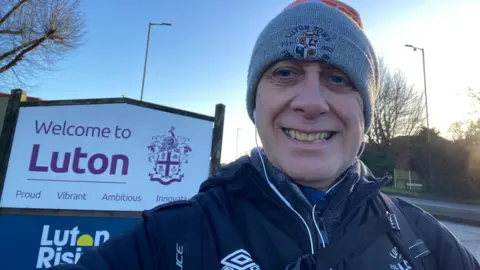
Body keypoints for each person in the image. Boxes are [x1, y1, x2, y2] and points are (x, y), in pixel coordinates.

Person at [51, 0, 480, 269]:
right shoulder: (176, 239)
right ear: (255, 105)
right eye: (286, 72)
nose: (311, 102)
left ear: (365, 111)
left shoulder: (422, 238)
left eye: (338, 78)